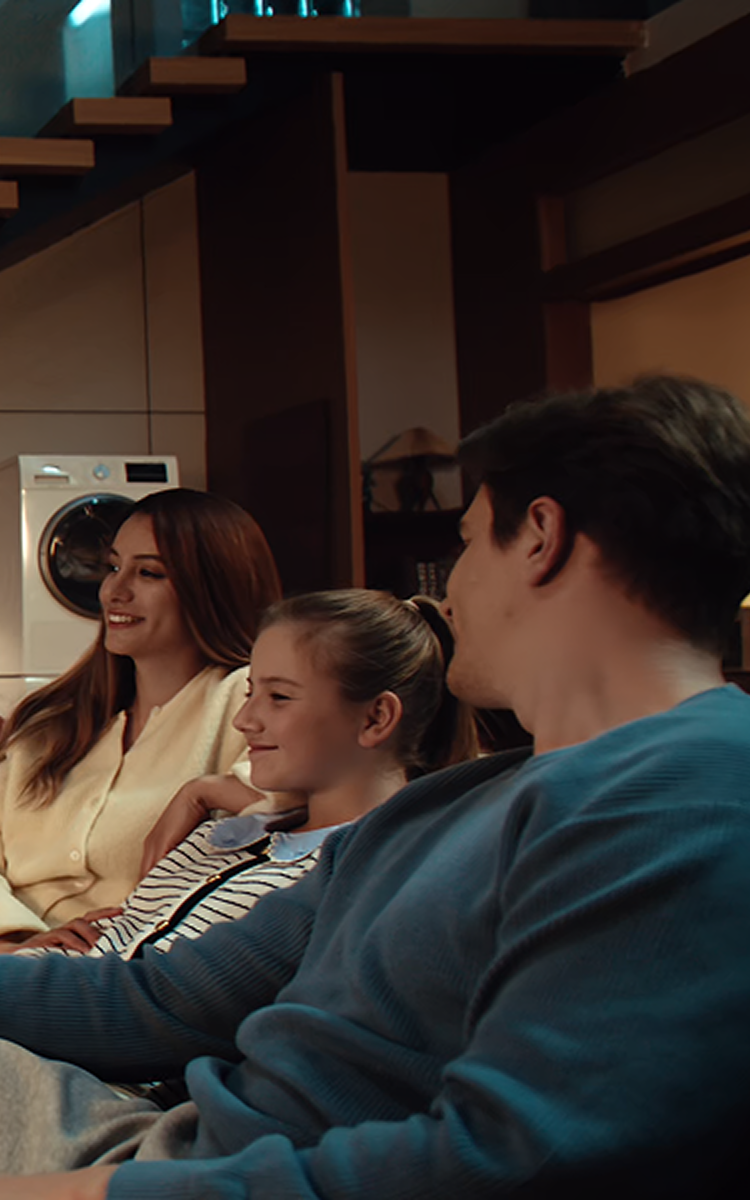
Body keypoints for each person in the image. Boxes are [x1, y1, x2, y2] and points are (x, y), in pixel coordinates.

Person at [1, 374, 750, 1200]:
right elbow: (158, 1001)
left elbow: (510, 1160)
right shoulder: (448, 805)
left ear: (541, 538)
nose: (449, 590)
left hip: (195, 1174)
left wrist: (101, 1193)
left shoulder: (690, 796)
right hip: (184, 1143)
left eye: (469, 543)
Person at [15, 589, 474, 961]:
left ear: (375, 718)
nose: (244, 719)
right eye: (251, 692)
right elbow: (120, 957)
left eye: (279, 698)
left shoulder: (355, 878)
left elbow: (159, 1005)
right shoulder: (221, 837)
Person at [0, 487, 281, 951]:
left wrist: (200, 792)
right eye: (113, 567)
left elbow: (307, 805)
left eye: (148, 573)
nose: (115, 590)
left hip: (130, 966)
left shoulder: (245, 698)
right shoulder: (51, 722)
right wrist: (16, 943)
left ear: (211, 588)